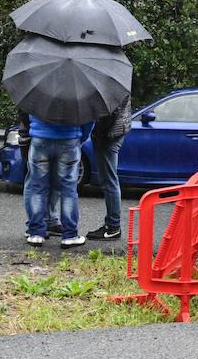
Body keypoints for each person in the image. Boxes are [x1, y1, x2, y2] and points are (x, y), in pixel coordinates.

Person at [23, 114, 93, 247]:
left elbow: (27, 110)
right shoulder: (79, 93)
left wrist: (35, 129)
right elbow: (89, 119)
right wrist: (81, 137)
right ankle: (70, 235)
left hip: (40, 137)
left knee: (37, 187)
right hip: (69, 138)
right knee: (68, 190)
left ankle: (36, 234)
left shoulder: (40, 92)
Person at [85, 93, 130, 241]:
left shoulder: (111, 86)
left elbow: (111, 112)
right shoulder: (117, 78)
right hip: (117, 130)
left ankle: (113, 226)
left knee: (109, 181)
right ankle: (112, 224)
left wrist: (97, 132)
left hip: (109, 135)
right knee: (109, 180)